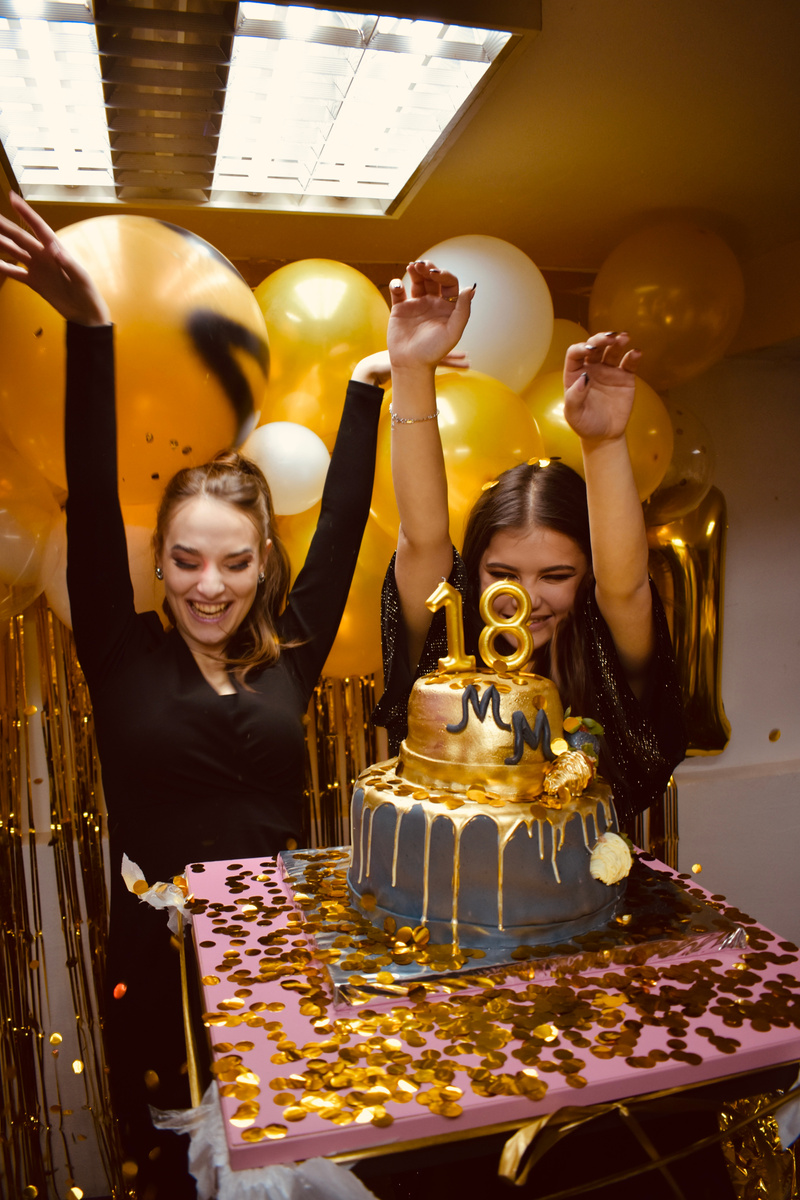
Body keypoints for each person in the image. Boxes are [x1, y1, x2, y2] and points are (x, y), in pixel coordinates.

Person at [0, 195, 467, 1197]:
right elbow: (87, 480)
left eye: (234, 563)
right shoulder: (119, 654)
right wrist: (91, 330)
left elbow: (341, 524)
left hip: (283, 967)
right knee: (174, 1175)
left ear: (261, 566)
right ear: (160, 564)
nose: (209, 585)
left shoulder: (288, 656)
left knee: (297, 1171)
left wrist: (368, 382)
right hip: (154, 976)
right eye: (186, 560)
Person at [373, 259, 687, 831]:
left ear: (588, 574)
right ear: (474, 577)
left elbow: (625, 587)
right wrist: (412, 369)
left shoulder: (607, 647)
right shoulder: (451, 640)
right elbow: (423, 536)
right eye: (503, 573)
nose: (526, 599)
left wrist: (604, 440)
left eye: (556, 575)